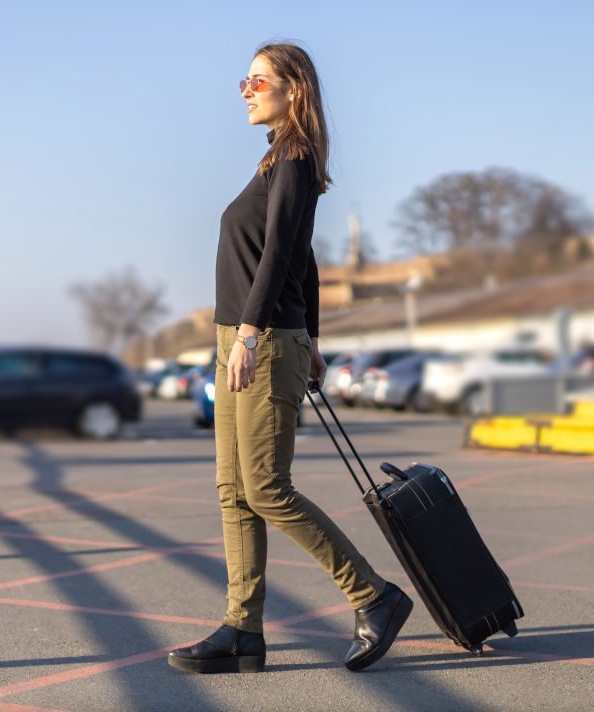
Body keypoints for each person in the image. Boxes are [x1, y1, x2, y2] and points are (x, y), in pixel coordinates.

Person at [167, 42, 413, 674]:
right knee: (234, 491)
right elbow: (305, 260)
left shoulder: (296, 160)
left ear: (294, 88)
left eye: (258, 80)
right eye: (242, 82)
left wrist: (255, 336)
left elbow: (279, 255)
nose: (246, 91)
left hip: (262, 337)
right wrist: (316, 339)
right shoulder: (276, 159)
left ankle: (375, 597)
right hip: (254, 336)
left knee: (267, 488)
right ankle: (242, 631)